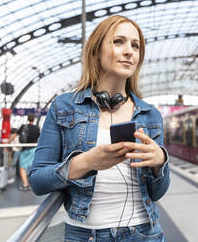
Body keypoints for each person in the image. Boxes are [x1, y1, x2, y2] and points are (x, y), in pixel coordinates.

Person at [29, 15, 170, 242]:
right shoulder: (64, 107)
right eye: (118, 42)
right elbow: (37, 181)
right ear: (96, 51)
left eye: (135, 46)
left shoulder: (150, 114)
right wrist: (87, 162)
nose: (129, 51)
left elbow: (158, 193)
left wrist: (160, 162)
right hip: (85, 236)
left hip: (145, 234)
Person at [17, 113, 40, 190]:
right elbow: (39, 138)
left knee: (22, 168)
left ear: (27, 118)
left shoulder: (24, 126)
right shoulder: (37, 128)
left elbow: (16, 134)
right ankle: (33, 184)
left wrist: (8, 142)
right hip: (34, 149)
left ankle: (25, 184)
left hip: (25, 149)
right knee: (32, 167)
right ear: (34, 119)